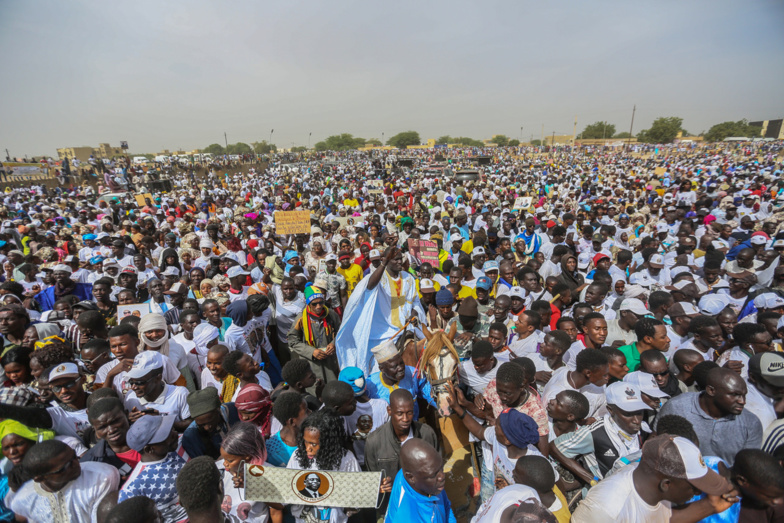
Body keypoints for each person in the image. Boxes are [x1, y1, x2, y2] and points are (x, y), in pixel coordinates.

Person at [572, 435, 737, 523]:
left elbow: (662, 518)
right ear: (666, 484)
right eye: (694, 487)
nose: (698, 491)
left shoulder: (649, 481)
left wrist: (709, 506)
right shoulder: (606, 511)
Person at [656, 367, 763, 466]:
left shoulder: (751, 423)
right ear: (711, 391)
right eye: (734, 395)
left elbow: (747, 465)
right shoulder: (677, 407)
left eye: (744, 395)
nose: (742, 401)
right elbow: (657, 445)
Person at [550, 381, 652, 482]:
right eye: (628, 414)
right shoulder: (595, 432)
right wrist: (591, 479)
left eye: (639, 413)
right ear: (610, 410)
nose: (636, 420)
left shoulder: (643, 430)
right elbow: (555, 448)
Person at [9, 439, 120, 523]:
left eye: (73, 456)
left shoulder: (101, 477)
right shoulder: (24, 498)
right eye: (64, 467)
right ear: (40, 478)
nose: (75, 464)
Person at [286, 409, 364, 523]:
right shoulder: (297, 457)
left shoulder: (346, 459)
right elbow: (288, 489)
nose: (308, 448)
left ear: (328, 442)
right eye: (305, 442)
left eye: (314, 444)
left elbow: (358, 496)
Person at [119, 414, 188, 522]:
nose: (174, 434)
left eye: (171, 429)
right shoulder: (131, 490)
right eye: (165, 435)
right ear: (149, 449)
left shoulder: (174, 450)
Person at [385, 439, 455, 523]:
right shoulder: (407, 518)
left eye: (441, 468)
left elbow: (446, 504)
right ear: (411, 477)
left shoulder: (420, 476)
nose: (442, 476)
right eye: (433, 475)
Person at [288, 286, 341, 383]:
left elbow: (341, 333)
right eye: (314, 304)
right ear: (308, 304)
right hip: (311, 363)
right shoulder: (301, 319)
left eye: (321, 302)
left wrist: (333, 343)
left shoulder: (331, 315)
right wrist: (311, 351)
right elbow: (292, 341)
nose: (319, 306)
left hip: (330, 361)